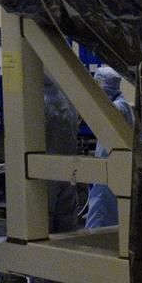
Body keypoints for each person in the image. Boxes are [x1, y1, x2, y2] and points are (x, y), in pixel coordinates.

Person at [85, 65, 135, 229]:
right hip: (113, 170)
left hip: (109, 172)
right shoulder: (123, 104)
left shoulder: (116, 108)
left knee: (100, 215)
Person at [43, 76, 82, 233]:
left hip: (44, 169)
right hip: (68, 167)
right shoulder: (67, 100)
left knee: (42, 221)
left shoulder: (35, 100)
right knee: (67, 218)